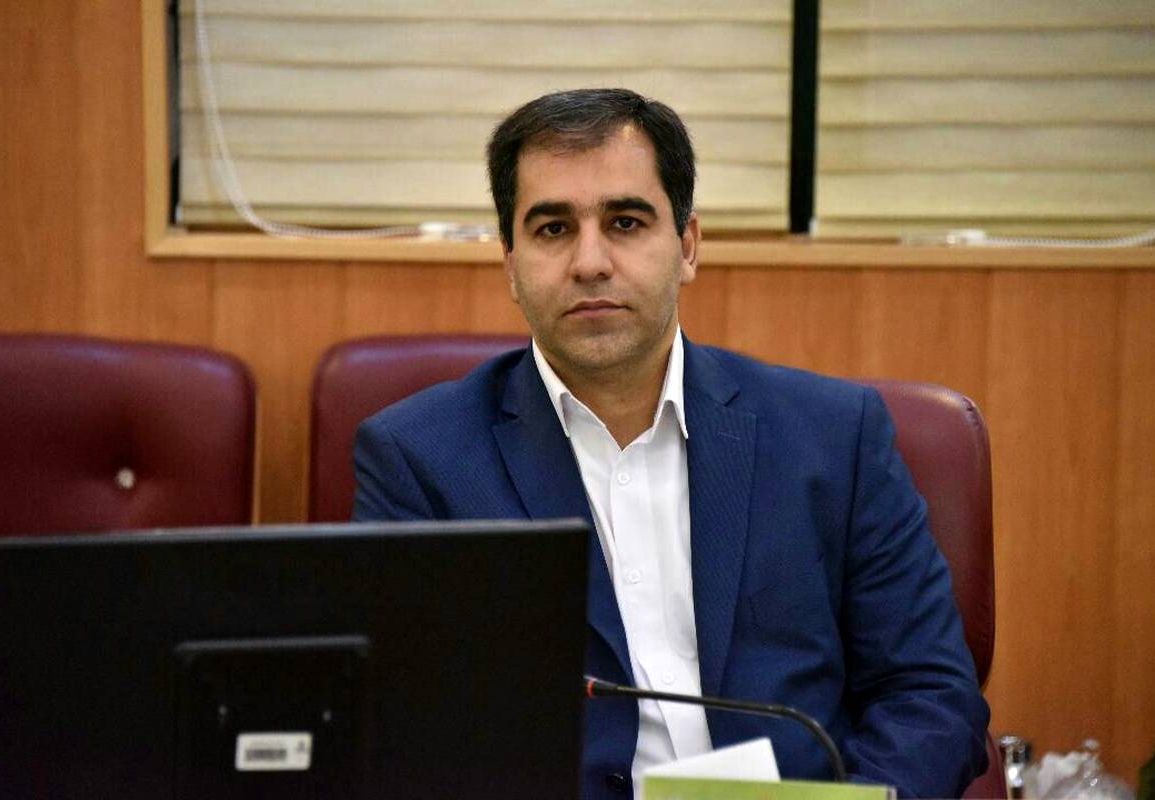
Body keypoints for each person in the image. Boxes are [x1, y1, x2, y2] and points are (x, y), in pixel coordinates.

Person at [352, 88, 989, 799]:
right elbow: (400, 731)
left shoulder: (834, 436)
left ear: (686, 247)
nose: (590, 261)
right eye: (553, 228)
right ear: (509, 261)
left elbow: (930, 695)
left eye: (625, 222)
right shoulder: (421, 461)